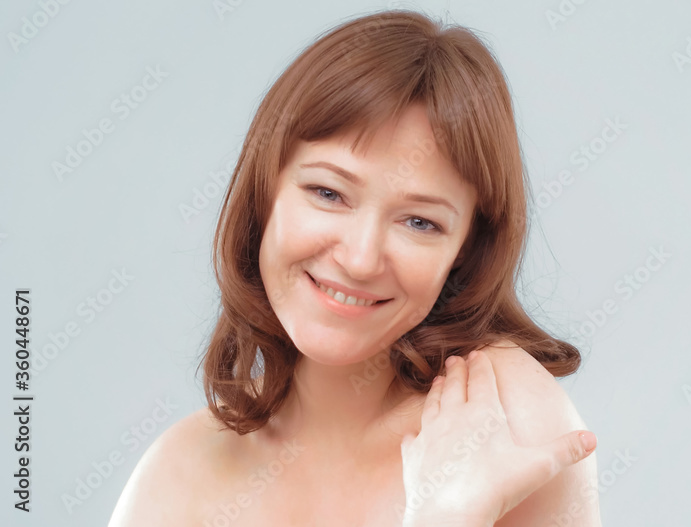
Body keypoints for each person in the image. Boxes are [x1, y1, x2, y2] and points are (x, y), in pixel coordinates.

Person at [109, 9, 600, 526]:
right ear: (265, 193)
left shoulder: (504, 423)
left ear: (466, 250)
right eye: (328, 193)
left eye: (419, 222)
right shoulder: (182, 469)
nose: (361, 259)